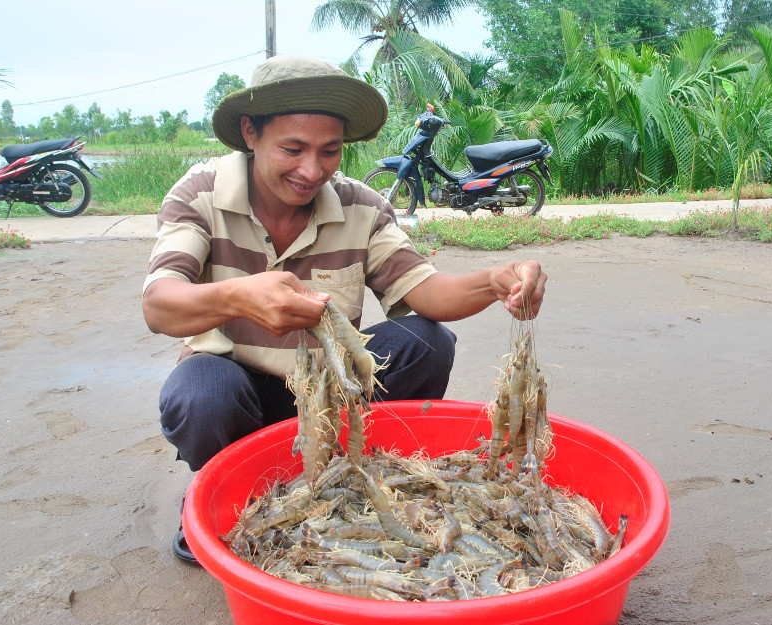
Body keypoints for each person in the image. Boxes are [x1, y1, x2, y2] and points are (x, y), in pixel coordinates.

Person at [142, 55, 547, 565]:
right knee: (201, 393)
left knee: (428, 341)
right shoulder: (199, 193)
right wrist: (238, 296)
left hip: (336, 392)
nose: (312, 170)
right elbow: (160, 304)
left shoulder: (361, 205)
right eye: (292, 149)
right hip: (237, 390)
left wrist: (493, 282)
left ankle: (347, 468)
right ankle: (225, 491)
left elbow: (425, 291)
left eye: (329, 151)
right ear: (250, 132)